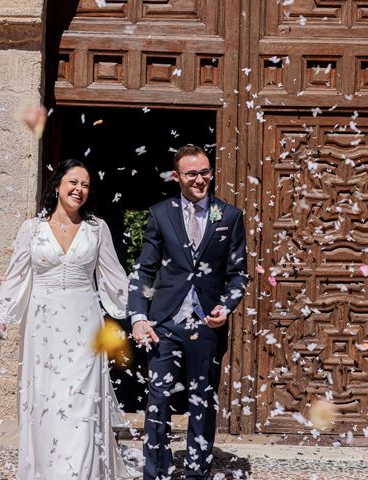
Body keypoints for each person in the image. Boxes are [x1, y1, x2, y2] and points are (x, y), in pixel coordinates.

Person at [0, 159, 137, 479]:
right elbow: (15, 277)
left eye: (85, 185)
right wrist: (0, 318)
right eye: (73, 182)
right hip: (41, 328)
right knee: (45, 403)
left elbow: (115, 279)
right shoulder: (31, 229)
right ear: (57, 186)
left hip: (84, 324)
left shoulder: (97, 229)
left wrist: (139, 316)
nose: (79, 190)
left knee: (82, 404)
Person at [128, 145, 248, 480]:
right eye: (192, 173)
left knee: (202, 401)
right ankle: (157, 472)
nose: (200, 179)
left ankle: (197, 473)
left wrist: (227, 305)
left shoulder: (228, 216)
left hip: (207, 325)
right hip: (164, 324)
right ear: (177, 176)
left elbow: (239, 273)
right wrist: (139, 317)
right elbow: (144, 270)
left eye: (205, 172)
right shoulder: (161, 214)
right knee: (158, 400)